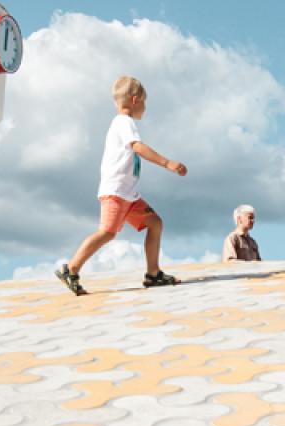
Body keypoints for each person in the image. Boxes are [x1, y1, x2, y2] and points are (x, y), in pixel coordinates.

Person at [57, 75, 188, 296]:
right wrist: (167, 163)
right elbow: (137, 146)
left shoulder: (121, 123)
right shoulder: (123, 122)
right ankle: (71, 269)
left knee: (154, 222)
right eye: (144, 102)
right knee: (107, 232)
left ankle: (153, 274)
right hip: (116, 191)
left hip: (129, 195)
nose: (145, 108)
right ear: (135, 100)